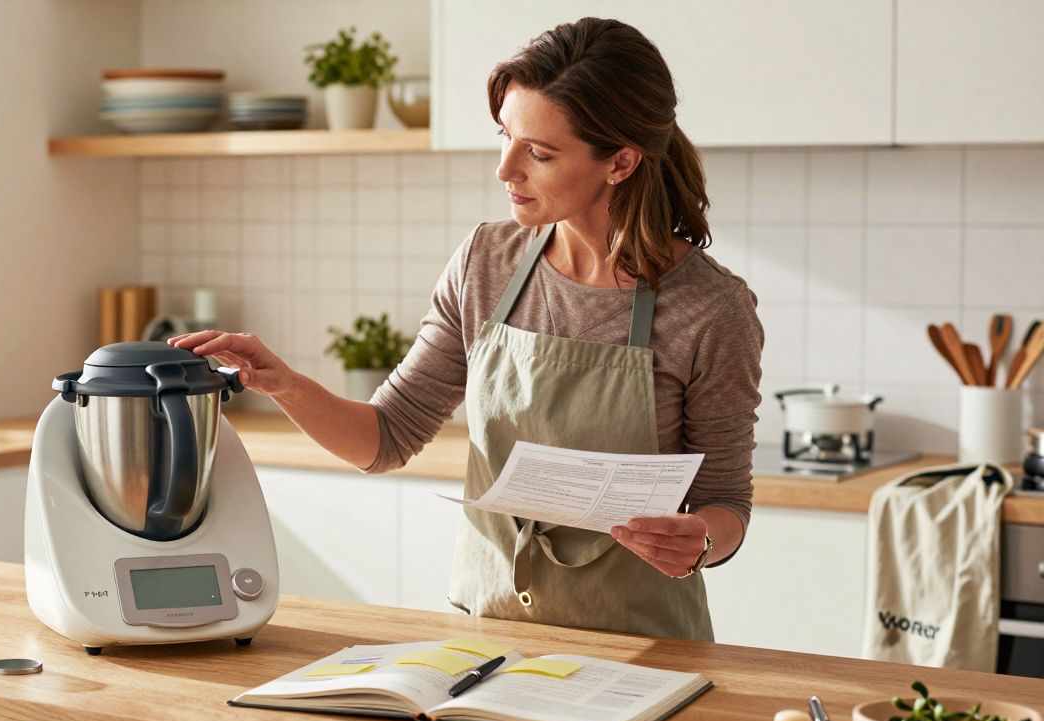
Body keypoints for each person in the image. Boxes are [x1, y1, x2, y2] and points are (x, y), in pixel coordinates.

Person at [170, 17, 763, 642]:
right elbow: (386, 438)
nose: (505, 169)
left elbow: (726, 503)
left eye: (539, 153)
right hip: (488, 641)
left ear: (620, 161)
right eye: (506, 136)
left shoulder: (710, 309)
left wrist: (701, 540)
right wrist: (284, 384)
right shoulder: (487, 263)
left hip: (642, 648)